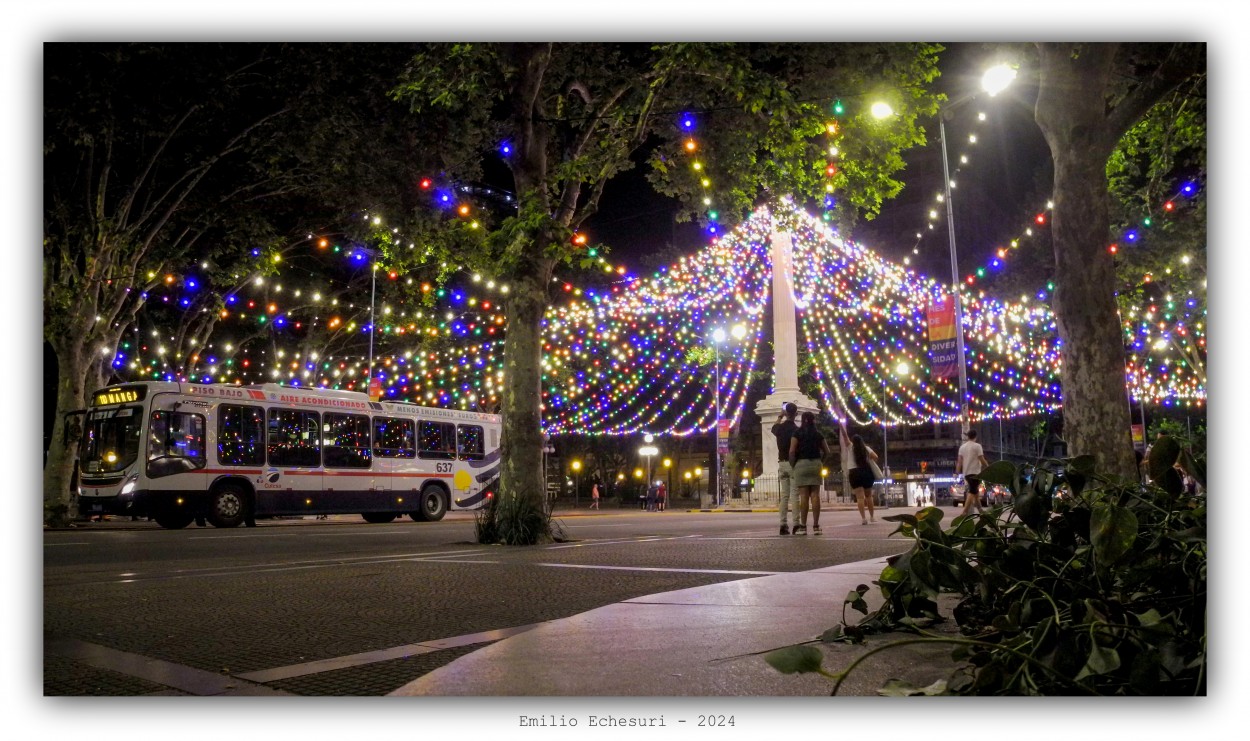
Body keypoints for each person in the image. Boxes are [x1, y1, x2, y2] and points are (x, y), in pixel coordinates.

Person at [789, 411, 830, 535]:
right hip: (815, 464)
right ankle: (816, 526)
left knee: (804, 497)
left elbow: (791, 451)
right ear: (814, 420)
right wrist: (820, 462)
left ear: (802, 420)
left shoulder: (797, 433)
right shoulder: (818, 434)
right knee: (815, 495)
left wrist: (793, 465)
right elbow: (827, 451)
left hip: (801, 464)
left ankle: (803, 527)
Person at [770, 403, 800, 535]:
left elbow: (773, 427)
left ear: (786, 414)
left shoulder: (779, 429)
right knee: (795, 495)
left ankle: (783, 524)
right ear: (796, 414)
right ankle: (796, 524)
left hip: (781, 463)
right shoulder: (796, 430)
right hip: (793, 463)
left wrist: (780, 416)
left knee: (784, 496)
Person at [956, 428, 990, 518]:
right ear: (976, 436)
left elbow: (959, 461)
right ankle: (965, 512)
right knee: (972, 491)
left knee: (975, 491)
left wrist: (957, 472)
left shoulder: (962, 447)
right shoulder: (977, 446)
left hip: (966, 473)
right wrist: (988, 467)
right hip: (975, 473)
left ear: (967, 436)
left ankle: (980, 510)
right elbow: (981, 459)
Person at [846, 433, 878, 525]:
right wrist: (868, 460)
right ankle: (872, 517)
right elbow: (876, 457)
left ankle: (863, 519)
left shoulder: (850, 448)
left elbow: (845, 437)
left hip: (854, 473)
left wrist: (841, 426)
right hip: (865, 472)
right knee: (869, 496)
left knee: (860, 497)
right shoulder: (866, 448)